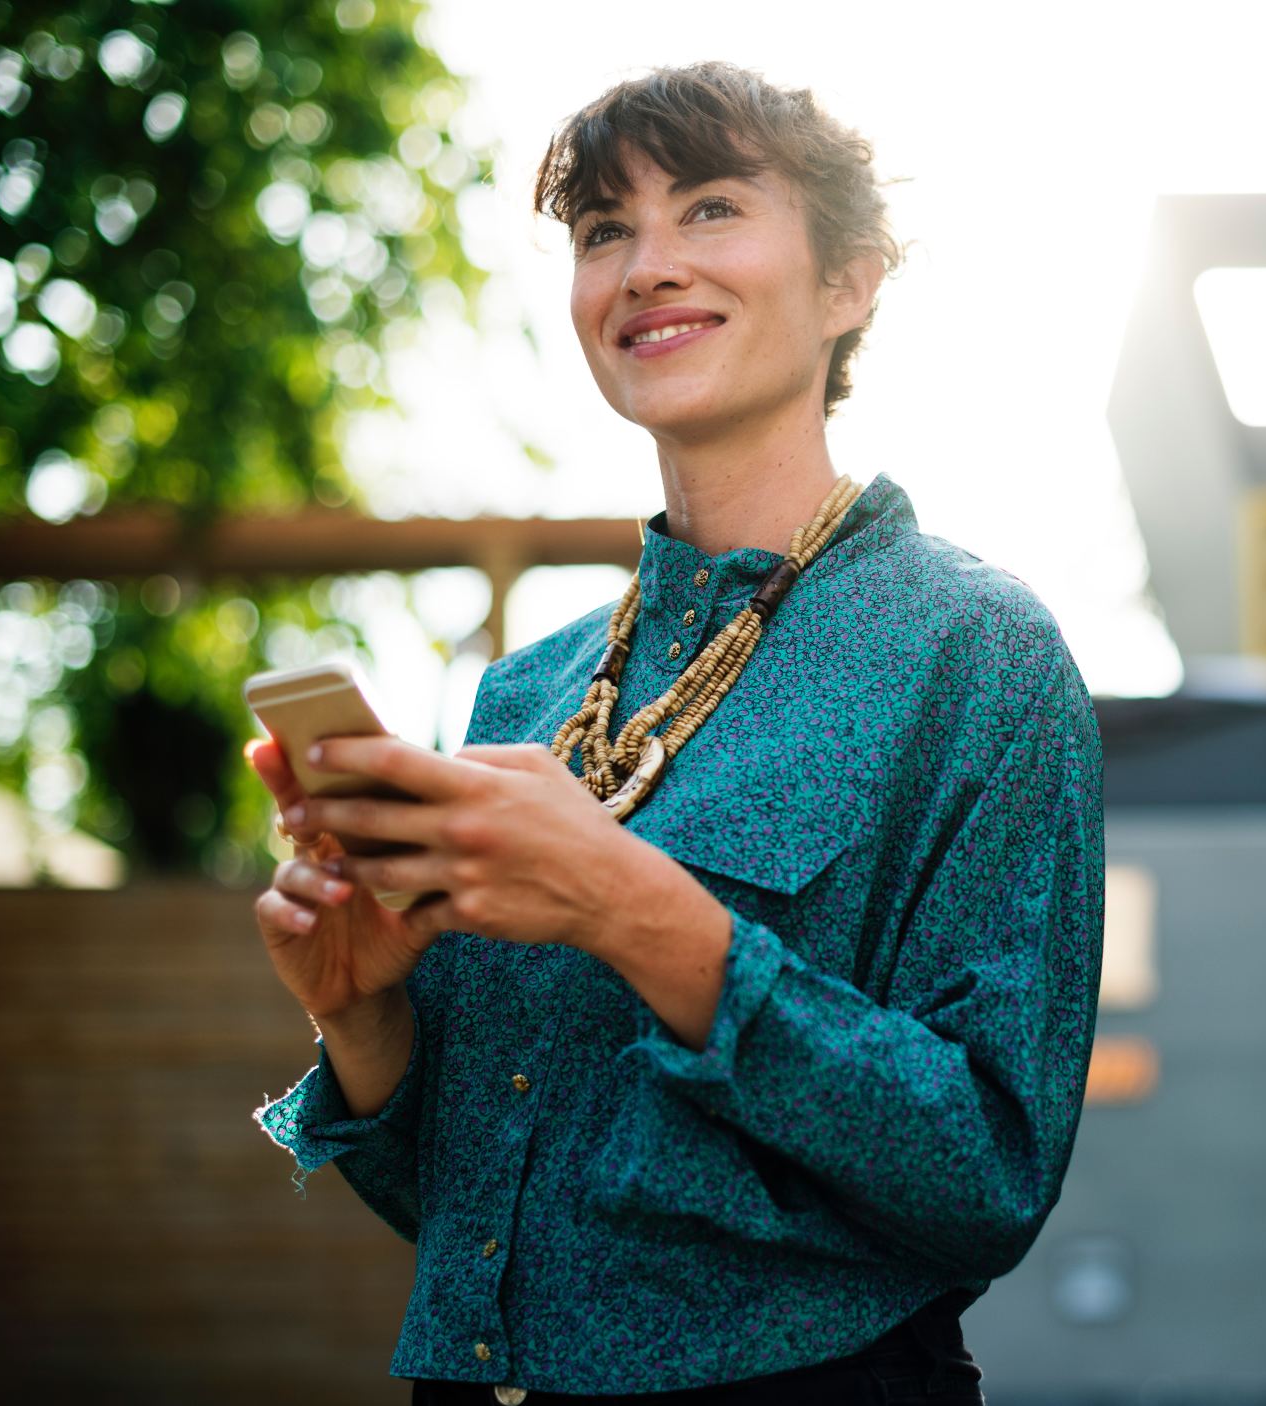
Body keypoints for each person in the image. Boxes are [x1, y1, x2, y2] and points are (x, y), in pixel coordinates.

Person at [248, 60, 1105, 1405]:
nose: (645, 265)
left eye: (708, 209)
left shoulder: (978, 653)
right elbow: (472, 1215)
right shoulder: (522, 696)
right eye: (603, 229)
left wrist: (632, 906)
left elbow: (989, 1172)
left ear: (849, 282)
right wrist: (357, 1012)